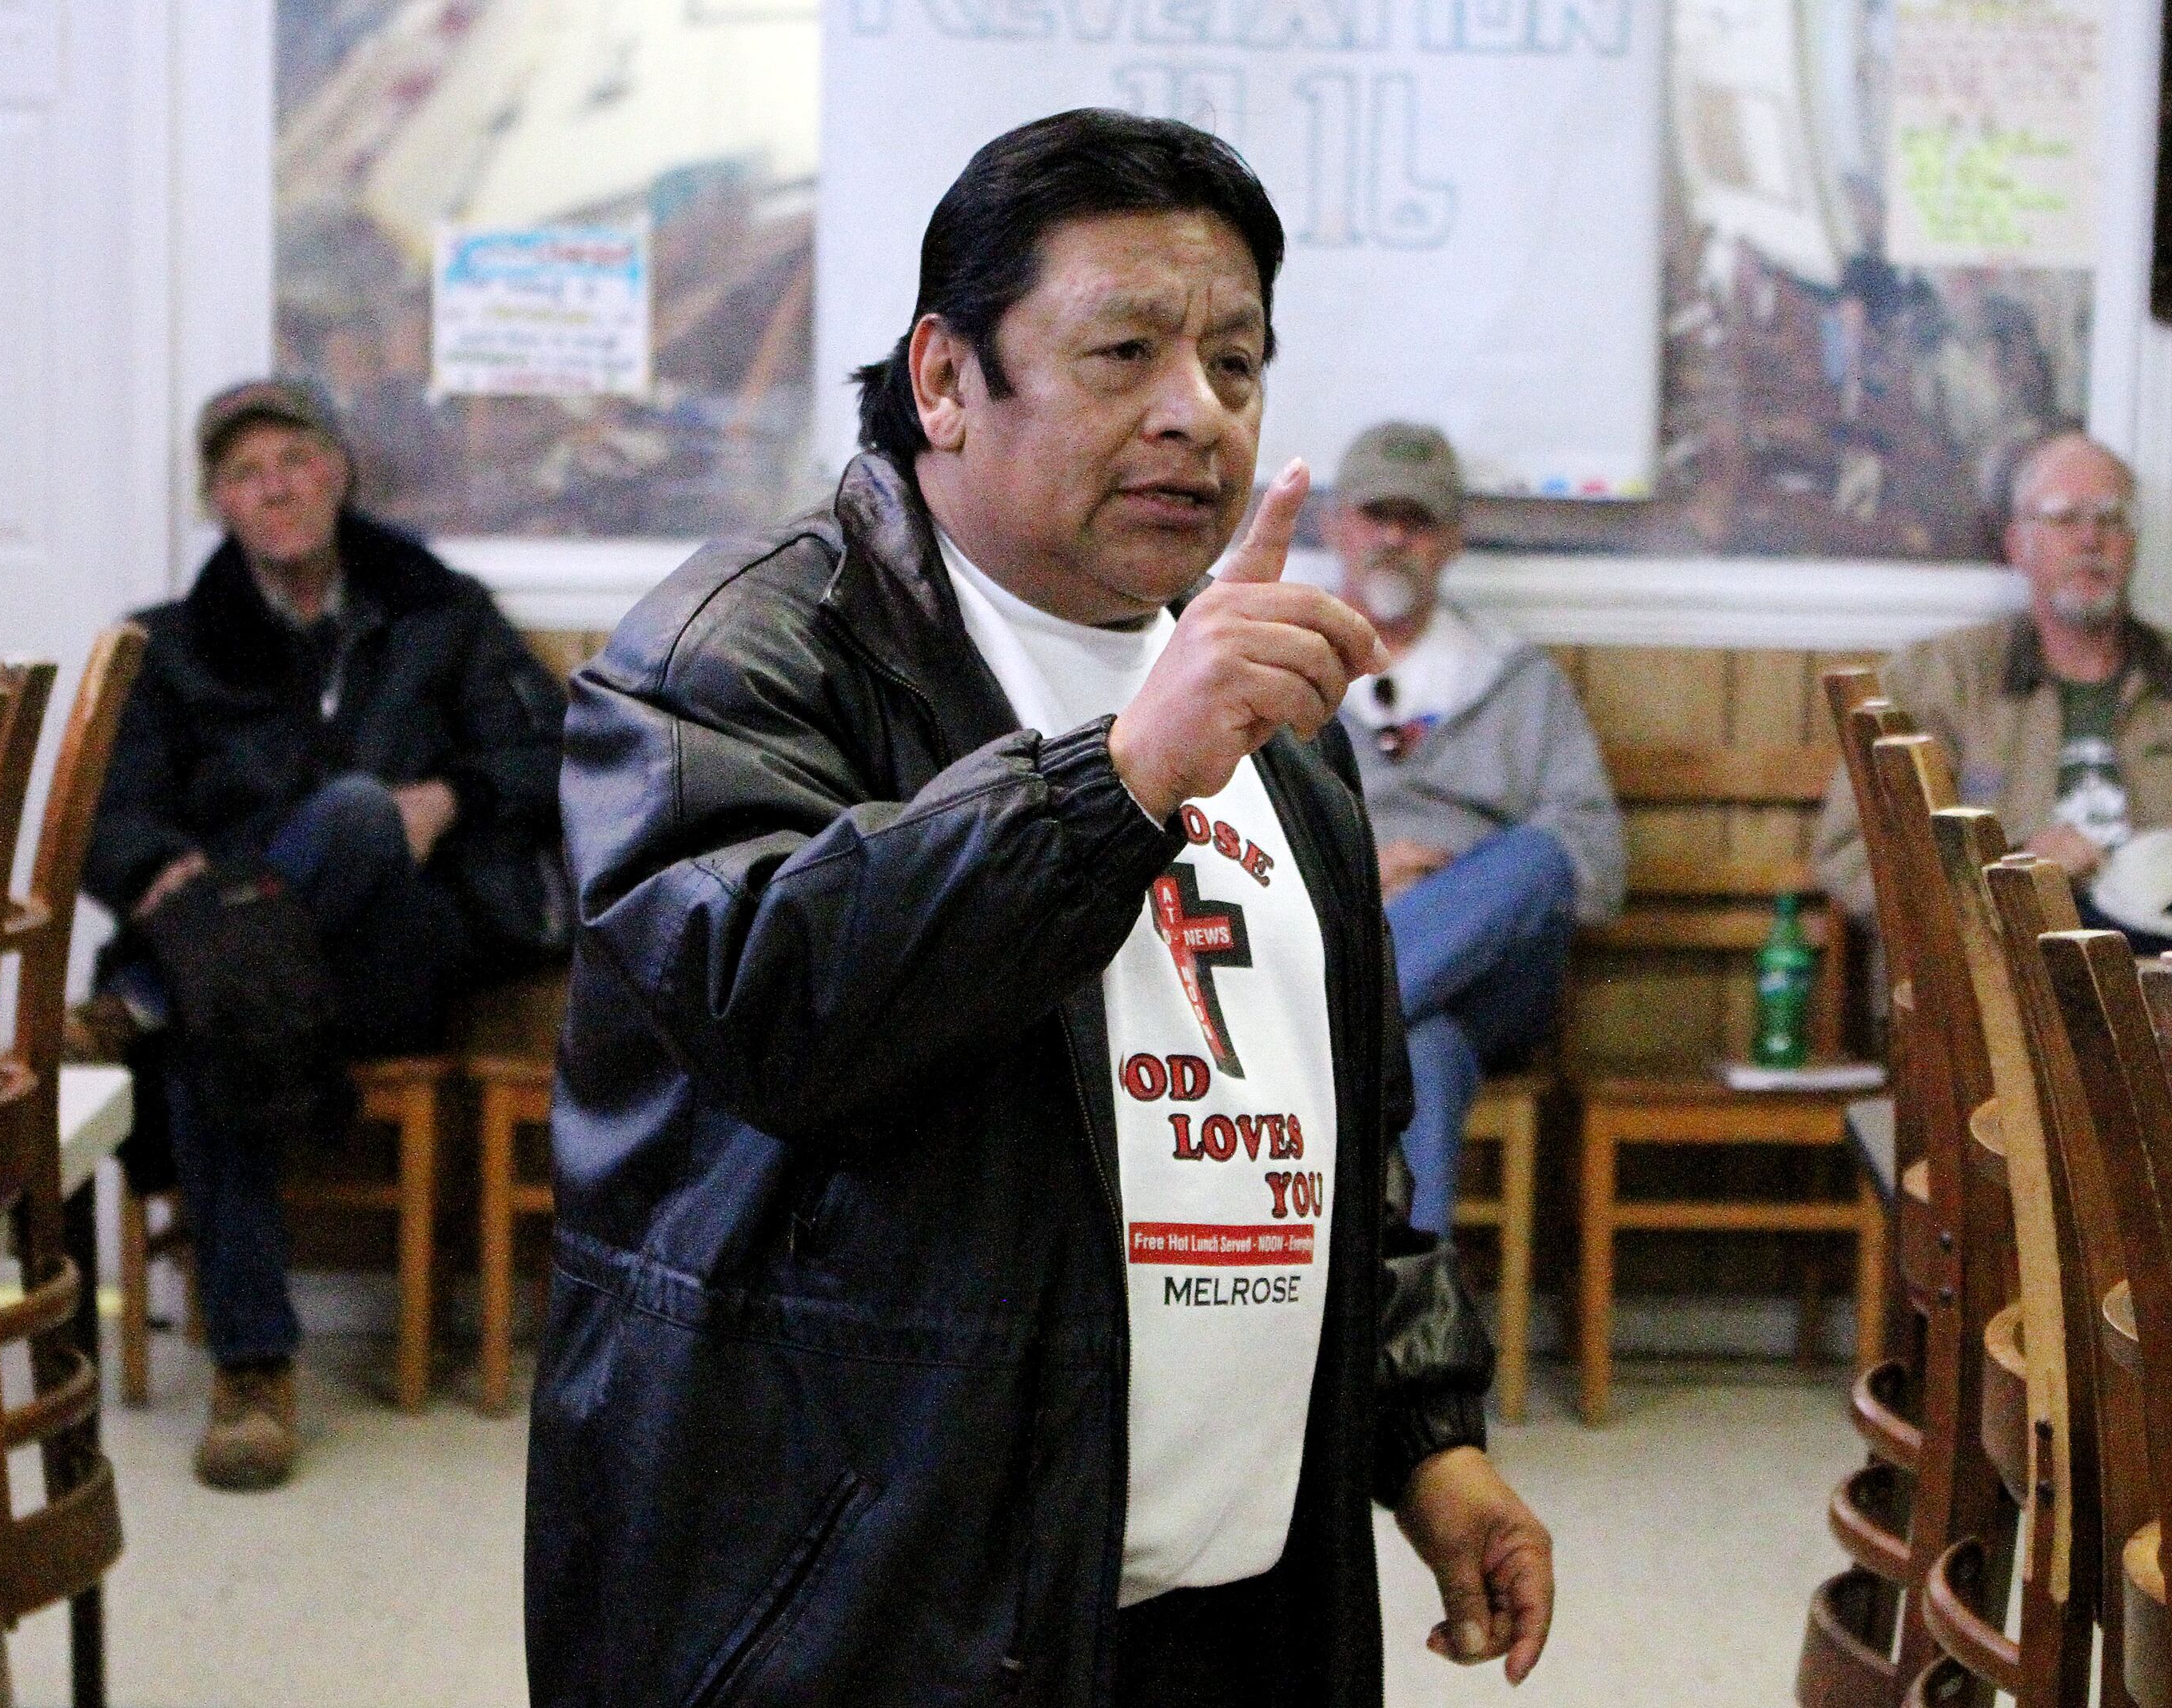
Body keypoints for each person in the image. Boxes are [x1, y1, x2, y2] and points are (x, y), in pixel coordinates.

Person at [528, 111, 1552, 1707]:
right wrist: (1123, 773)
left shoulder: (1267, 698)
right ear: (945, 379)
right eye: (1124, 353)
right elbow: (775, 1008)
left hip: (1226, 1596)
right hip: (873, 1608)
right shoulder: (734, 654)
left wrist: (1431, 1440)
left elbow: (1331, 1127)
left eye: (1234, 362)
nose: (1192, 416)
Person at [80, 379, 566, 1491]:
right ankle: (254, 1376)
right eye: (247, 475)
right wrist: (159, 868)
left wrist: (451, 796)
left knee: (351, 822)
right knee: (232, 1003)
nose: (277, 488)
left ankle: (148, 993)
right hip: (249, 980)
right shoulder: (165, 647)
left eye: (294, 461)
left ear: (339, 472)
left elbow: (553, 755)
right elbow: (111, 818)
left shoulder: (441, 614)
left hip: (404, 956)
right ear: (220, 505)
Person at [1812, 430, 2172, 957]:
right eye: (2065, 518)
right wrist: (2012, 876)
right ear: (2018, 545)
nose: (2091, 540)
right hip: (2001, 986)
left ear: (2133, 544)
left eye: (2110, 519)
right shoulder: (1935, 680)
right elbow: (1855, 856)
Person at [1325, 420, 1623, 1237]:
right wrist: (1360, 875)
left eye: (1416, 520)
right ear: (1334, 526)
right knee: (1419, 1050)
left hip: (1493, 980)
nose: (1394, 538)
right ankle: (1406, 1348)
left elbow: (1596, 863)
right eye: (1376, 514)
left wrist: (1456, 880)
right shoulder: (1285, 669)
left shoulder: (1518, 682)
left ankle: (1341, 1014)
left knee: (1538, 857)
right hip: (1345, 930)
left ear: (1451, 540)